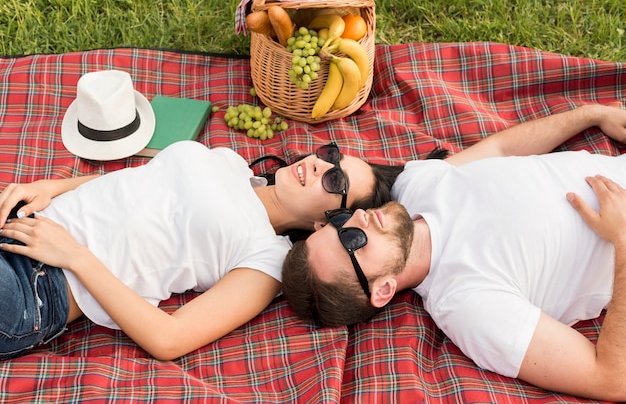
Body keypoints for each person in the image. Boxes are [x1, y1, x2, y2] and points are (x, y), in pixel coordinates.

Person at [281, 104, 626, 401]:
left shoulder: (412, 186)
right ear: (383, 289)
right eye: (351, 240)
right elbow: (610, 378)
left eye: (339, 221)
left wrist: (591, 115)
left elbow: (503, 149)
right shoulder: (468, 304)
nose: (357, 216)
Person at [0, 138, 402, 361]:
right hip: (24, 220)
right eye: (330, 155)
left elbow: (169, 339)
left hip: (38, 284)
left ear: (325, 224)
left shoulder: (266, 259)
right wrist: (52, 188)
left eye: (334, 181)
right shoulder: (230, 162)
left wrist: (74, 254)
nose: (318, 164)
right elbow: (135, 184)